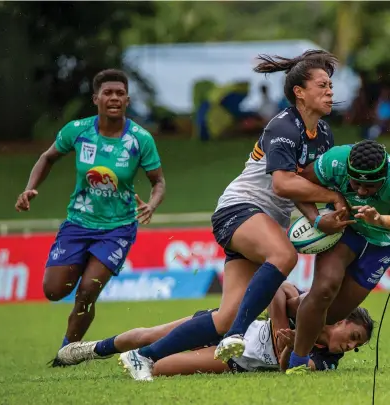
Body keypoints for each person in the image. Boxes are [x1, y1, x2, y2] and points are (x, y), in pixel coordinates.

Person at [116, 50, 352, 376]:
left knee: (223, 317)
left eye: (330, 86)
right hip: (238, 209)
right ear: (299, 92)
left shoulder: (323, 134)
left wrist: (317, 218)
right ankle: (238, 334)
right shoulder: (283, 126)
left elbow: (303, 184)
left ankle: (144, 355)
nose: (330, 92)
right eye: (323, 85)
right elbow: (284, 184)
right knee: (284, 256)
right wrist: (333, 196)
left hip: (265, 221)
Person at [13, 69, 166, 366]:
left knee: (87, 291)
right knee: (55, 290)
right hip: (78, 223)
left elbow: (158, 180)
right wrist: (30, 188)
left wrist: (152, 204)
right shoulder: (78, 131)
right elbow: (47, 157)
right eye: (108, 93)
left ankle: (67, 352)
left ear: (127, 99)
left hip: (117, 229)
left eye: (120, 94)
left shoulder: (140, 139)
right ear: (96, 98)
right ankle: (78, 275)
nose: (114, 98)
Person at [285, 139, 390, 373]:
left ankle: (284, 311)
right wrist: (316, 218)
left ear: (383, 177)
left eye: (369, 187)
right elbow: (294, 184)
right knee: (324, 289)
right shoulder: (335, 161)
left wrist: (381, 220)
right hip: (349, 228)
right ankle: (296, 362)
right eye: (355, 183)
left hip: (383, 243)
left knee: (334, 313)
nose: (360, 191)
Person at [55, 282, 373, 380]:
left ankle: (137, 360)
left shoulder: (328, 361)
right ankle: (91, 349)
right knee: (149, 336)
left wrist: (287, 350)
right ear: (342, 321)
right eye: (354, 337)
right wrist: (279, 329)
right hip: (230, 325)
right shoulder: (310, 310)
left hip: (234, 360)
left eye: (356, 346)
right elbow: (278, 288)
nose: (350, 347)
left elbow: (286, 367)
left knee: (161, 368)